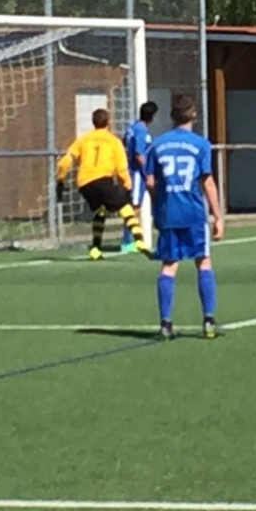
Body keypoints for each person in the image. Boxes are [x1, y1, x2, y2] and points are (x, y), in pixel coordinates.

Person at [147, 94, 224, 340]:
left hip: (168, 211)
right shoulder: (201, 144)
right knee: (203, 261)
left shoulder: (157, 144)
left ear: (172, 115)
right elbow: (207, 181)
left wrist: (160, 201)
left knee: (169, 265)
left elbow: (150, 181)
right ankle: (208, 321)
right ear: (194, 114)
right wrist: (218, 216)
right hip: (193, 213)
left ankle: (165, 323)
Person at [55, 108, 151, 262]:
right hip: (103, 180)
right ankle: (139, 240)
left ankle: (95, 249)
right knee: (126, 207)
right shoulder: (114, 141)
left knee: (101, 210)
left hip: (84, 183)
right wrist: (127, 185)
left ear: (93, 122)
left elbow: (65, 161)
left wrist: (60, 179)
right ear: (108, 122)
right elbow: (122, 168)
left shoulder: (84, 139)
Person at [121, 101, 158, 254]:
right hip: (136, 173)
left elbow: (124, 144)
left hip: (130, 171)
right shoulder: (141, 130)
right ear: (152, 116)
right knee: (134, 207)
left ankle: (131, 239)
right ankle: (127, 241)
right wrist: (148, 172)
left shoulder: (132, 127)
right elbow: (139, 154)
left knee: (133, 206)